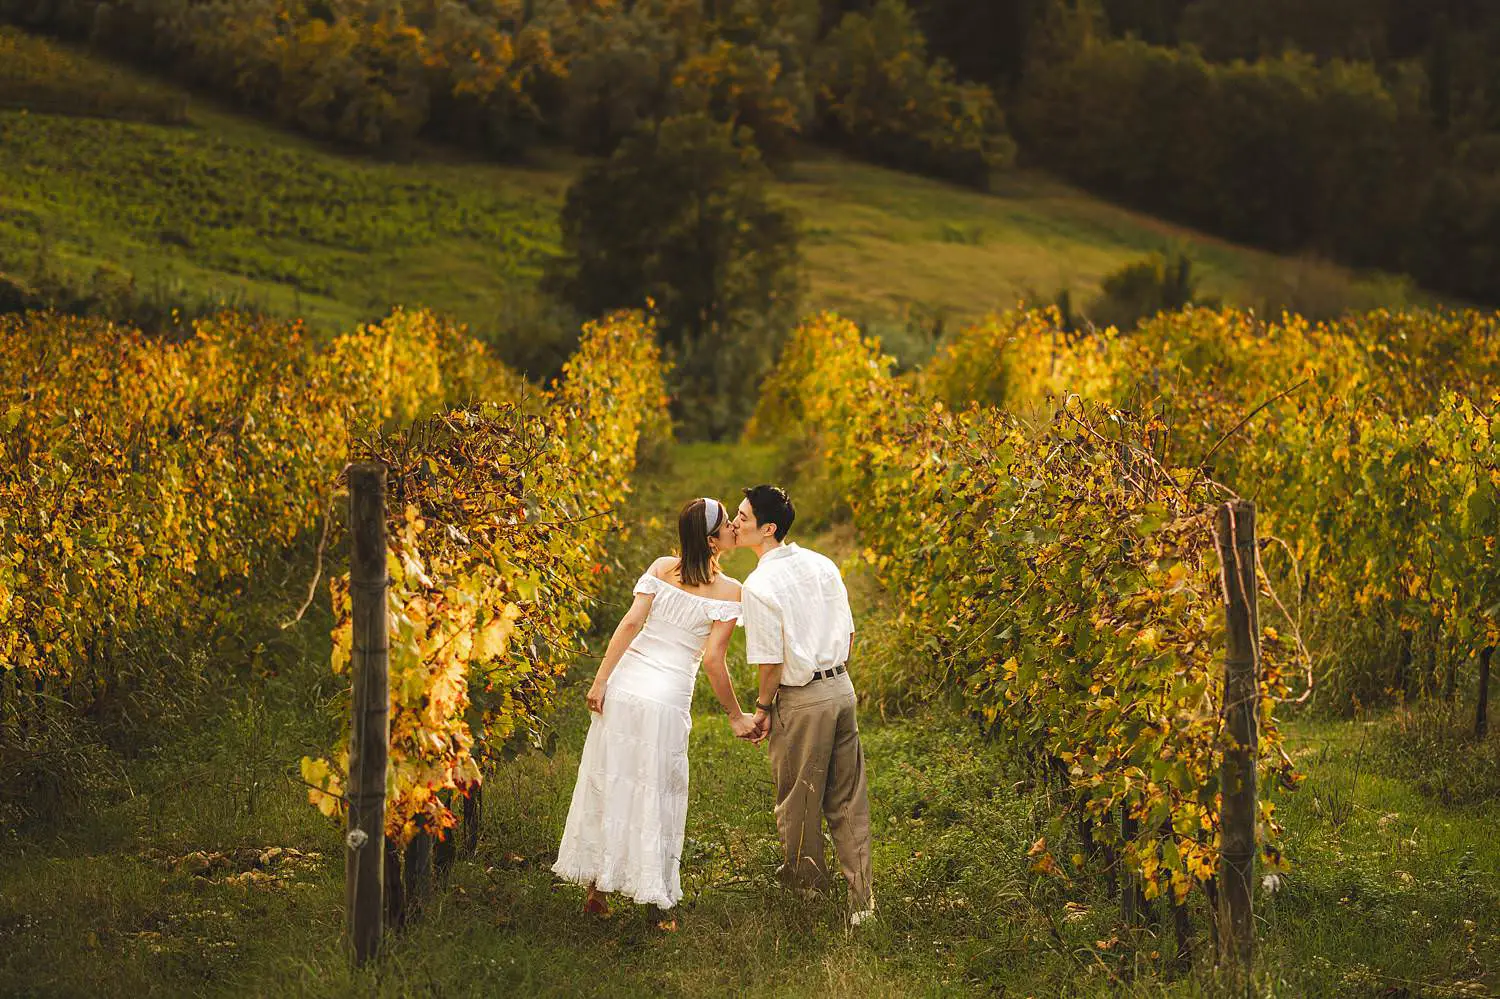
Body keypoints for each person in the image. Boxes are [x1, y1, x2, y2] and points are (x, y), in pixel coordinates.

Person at [551, 497, 756, 929]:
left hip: (626, 686)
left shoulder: (663, 567)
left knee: (611, 782)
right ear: (712, 540)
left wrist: (602, 680)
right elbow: (715, 662)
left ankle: (598, 890)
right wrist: (735, 714)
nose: (734, 528)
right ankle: (656, 901)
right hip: (665, 699)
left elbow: (630, 624)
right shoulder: (729, 592)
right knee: (656, 792)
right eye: (727, 524)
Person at [731, 484, 875, 927]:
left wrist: (761, 708)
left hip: (802, 700)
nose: (734, 524)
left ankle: (809, 896)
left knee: (799, 801)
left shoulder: (759, 585)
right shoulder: (822, 564)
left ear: (767, 529)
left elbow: (771, 662)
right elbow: (848, 637)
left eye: (742, 518)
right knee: (848, 798)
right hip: (842, 690)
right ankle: (861, 902)